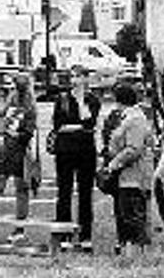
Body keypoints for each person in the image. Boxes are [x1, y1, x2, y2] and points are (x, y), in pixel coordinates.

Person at [0, 71, 37, 243]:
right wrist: (2, 128)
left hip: (20, 152)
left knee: (20, 191)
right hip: (7, 150)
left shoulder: (30, 107)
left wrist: (8, 130)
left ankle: (19, 229)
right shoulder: (10, 103)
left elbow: (27, 133)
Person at [103, 83, 154, 256]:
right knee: (124, 213)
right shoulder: (128, 117)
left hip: (134, 175)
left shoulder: (135, 120)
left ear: (119, 100)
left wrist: (114, 163)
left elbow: (134, 149)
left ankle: (137, 250)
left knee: (132, 214)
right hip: (125, 175)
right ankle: (127, 249)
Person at [51, 73, 97, 251]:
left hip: (86, 152)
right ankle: (64, 235)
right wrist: (80, 127)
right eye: (74, 78)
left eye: (80, 78)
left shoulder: (92, 100)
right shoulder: (61, 99)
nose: (76, 82)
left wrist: (80, 102)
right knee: (64, 192)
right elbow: (58, 126)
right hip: (65, 151)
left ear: (86, 81)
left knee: (85, 195)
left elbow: (89, 123)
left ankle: (85, 236)